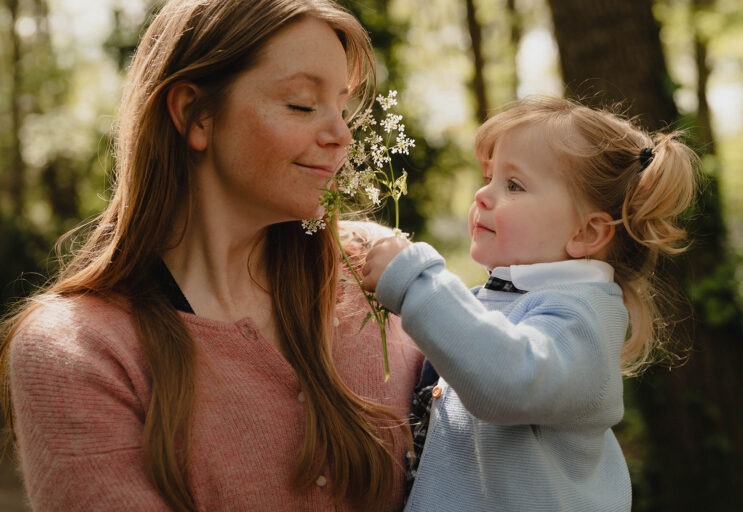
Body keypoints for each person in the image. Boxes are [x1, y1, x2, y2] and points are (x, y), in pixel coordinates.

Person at [0, 1, 423, 510]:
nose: (341, 136)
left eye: (342, 106)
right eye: (302, 104)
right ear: (194, 114)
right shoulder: (80, 351)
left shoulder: (381, 271)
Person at [362, 96, 699, 511]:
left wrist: (414, 281)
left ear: (587, 234)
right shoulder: (497, 300)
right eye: (488, 177)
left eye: (514, 185)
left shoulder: (582, 319)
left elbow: (508, 378)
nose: (483, 195)